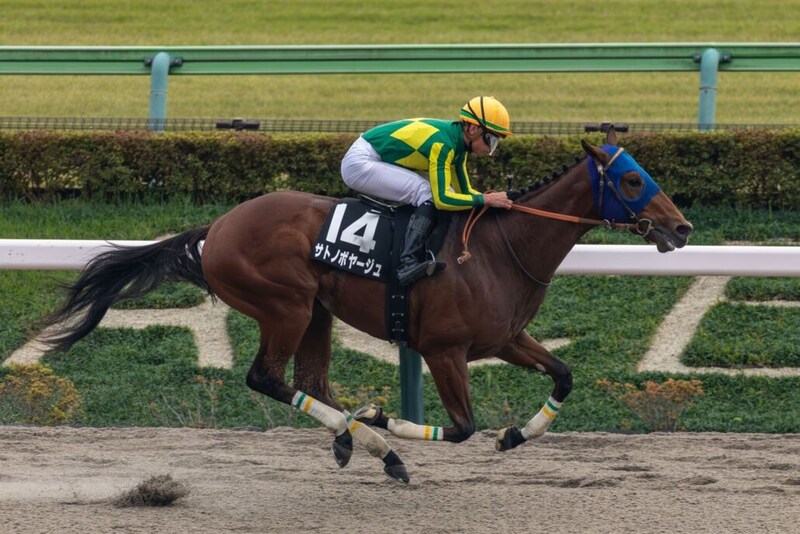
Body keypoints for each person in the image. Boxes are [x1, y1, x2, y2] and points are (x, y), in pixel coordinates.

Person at [341, 96, 514, 286]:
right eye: (491, 140)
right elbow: (442, 200)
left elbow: (465, 191)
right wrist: (484, 200)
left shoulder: (458, 147)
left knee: (440, 191)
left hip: (373, 157)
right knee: (427, 193)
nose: (492, 148)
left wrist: (494, 200)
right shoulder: (443, 144)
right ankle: (406, 263)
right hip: (359, 163)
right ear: (473, 129)